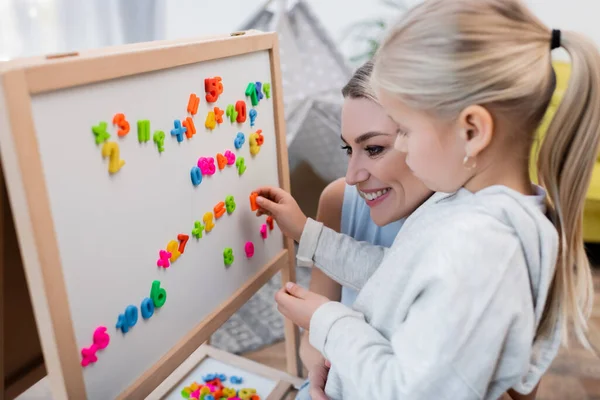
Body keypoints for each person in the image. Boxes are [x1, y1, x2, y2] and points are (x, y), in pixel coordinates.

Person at [255, 0, 599, 399]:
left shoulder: (483, 249)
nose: (404, 146)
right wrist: (309, 237)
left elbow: (409, 390)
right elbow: (396, 275)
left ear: (471, 131)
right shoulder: (465, 208)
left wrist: (327, 321)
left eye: (406, 131)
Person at [295, 61, 432, 399]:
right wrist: (320, 375)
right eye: (348, 148)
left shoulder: (478, 231)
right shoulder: (339, 200)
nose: (353, 174)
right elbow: (311, 343)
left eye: (373, 149)